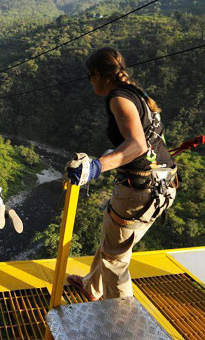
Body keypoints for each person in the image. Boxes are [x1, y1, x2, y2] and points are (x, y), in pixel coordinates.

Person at [65, 47, 179, 301]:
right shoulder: (137, 93)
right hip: (164, 184)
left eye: (89, 76)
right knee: (112, 244)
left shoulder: (118, 98)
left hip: (139, 191)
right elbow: (147, 141)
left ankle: (121, 322)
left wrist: (96, 167)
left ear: (97, 74)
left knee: (115, 260)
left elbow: (137, 145)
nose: (90, 81)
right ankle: (92, 287)